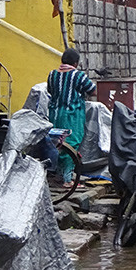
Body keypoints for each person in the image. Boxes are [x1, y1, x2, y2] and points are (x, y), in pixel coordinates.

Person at [46, 48, 97, 188]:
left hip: (54, 115)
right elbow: (92, 90)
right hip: (72, 116)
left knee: (57, 143)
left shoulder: (52, 75)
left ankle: (58, 175)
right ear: (76, 63)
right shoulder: (78, 75)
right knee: (71, 144)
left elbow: (50, 91)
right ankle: (67, 180)